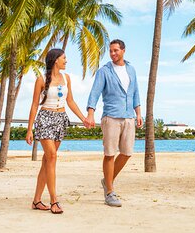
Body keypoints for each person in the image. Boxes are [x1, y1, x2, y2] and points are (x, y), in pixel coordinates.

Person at [26, 48, 91, 214]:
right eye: (64, 58)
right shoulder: (41, 79)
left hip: (61, 120)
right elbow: (34, 105)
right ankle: (54, 200)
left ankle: (36, 201)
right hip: (45, 119)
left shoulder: (66, 78)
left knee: (47, 161)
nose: (66, 61)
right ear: (56, 60)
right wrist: (29, 129)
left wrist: (83, 118)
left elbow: (70, 101)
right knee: (52, 156)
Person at [84, 39, 142, 207]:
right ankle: (109, 191)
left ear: (123, 51)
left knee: (126, 153)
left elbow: (136, 92)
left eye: (116, 50)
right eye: (111, 51)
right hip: (111, 116)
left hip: (129, 117)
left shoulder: (131, 69)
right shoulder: (104, 71)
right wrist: (90, 114)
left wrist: (138, 113)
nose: (113, 53)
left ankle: (106, 180)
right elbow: (94, 92)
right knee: (110, 154)